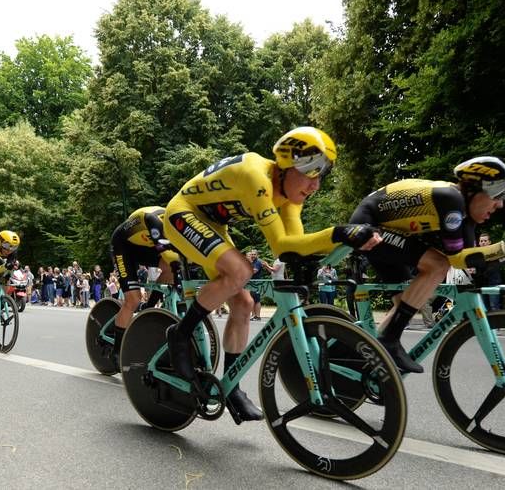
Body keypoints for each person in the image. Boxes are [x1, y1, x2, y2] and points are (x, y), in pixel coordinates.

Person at [163, 127, 380, 422]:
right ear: (287, 165)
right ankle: (181, 334)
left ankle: (232, 386)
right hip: (183, 213)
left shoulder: (291, 196)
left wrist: (342, 243)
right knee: (240, 270)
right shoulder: (258, 179)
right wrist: (342, 233)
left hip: (214, 224)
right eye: (311, 172)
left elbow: (295, 248)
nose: (315, 185)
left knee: (241, 302)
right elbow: (280, 243)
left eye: (322, 174)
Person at [348, 156, 505, 373]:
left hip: (387, 229)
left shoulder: (466, 214)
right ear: (473, 189)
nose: (501, 203)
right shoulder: (450, 199)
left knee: (406, 302)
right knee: (438, 265)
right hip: (367, 227)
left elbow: (473, 259)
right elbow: (456, 259)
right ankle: (388, 342)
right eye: (498, 193)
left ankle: (365, 362)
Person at [109, 206, 180, 359]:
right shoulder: (154, 220)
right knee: (133, 300)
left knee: (170, 269)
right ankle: (116, 350)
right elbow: (164, 249)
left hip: (143, 247)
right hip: (123, 246)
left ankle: (147, 309)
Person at [477, 233, 502, 310]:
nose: (483, 242)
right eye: (481, 241)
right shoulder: (476, 254)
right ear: (479, 243)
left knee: (494, 307)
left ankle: (497, 322)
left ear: (489, 242)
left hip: (493, 283)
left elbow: (493, 268)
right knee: (484, 308)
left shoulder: (494, 253)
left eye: (485, 240)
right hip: (481, 284)